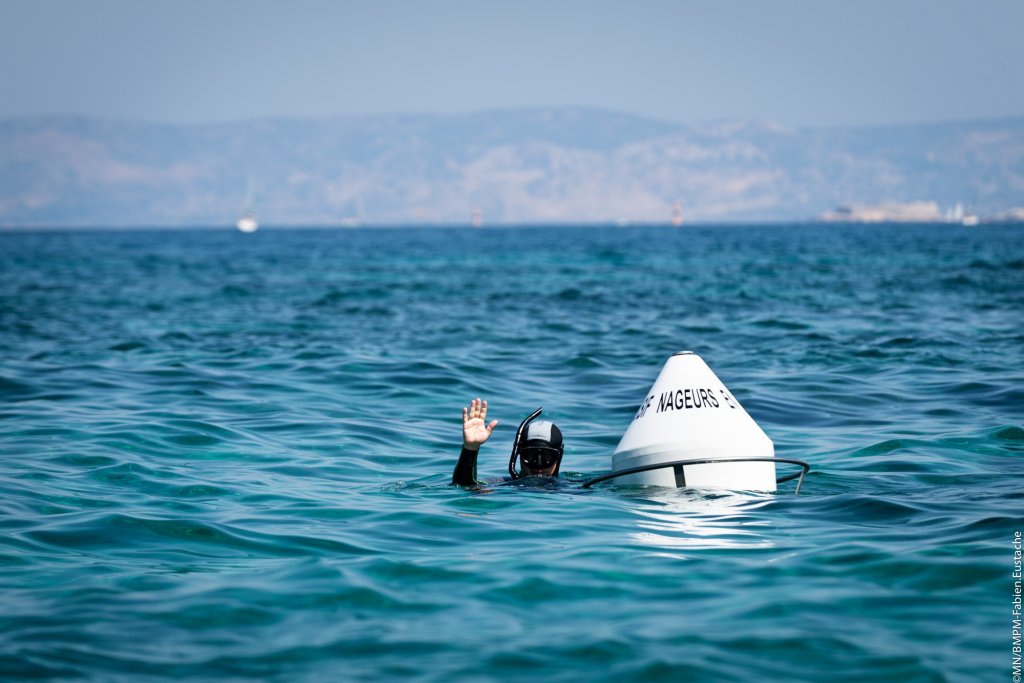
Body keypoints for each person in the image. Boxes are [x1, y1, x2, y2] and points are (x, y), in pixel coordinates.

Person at [451, 398, 564, 486]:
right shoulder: (503, 484)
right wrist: (470, 448)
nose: (539, 466)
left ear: (559, 456)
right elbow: (464, 486)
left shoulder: (572, 486)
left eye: (547, 457)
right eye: (530, 455)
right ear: (518, 453)